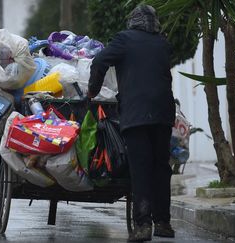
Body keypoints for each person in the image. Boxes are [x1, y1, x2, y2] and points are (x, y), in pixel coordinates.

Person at [88, 4, 176, 242]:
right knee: (161, 167)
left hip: (136, 114)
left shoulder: (124, 40)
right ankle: (164, 223)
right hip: (163, 114)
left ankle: (143, 225)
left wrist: (92, 90)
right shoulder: (162, 43)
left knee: (141, 168)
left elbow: (99, 62)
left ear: (132, 21)